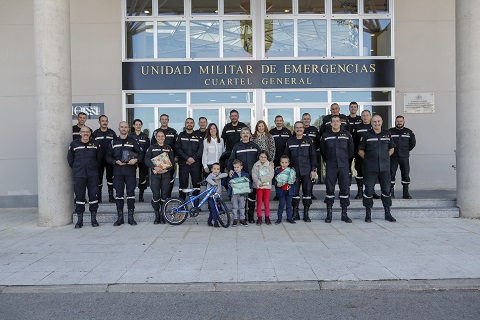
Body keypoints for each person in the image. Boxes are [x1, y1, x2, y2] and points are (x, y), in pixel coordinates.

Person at [358, 115, 396, 223]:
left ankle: (387, 213)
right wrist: (369, 159)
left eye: (378, 121)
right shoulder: (366, 135)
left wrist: (384, 157)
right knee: (369, 191)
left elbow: (392, 149)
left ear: (382, 122)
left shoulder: (387, 134)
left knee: (386, 191)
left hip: (384, 168)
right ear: (371, 122)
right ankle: (368, 214)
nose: (376, 123)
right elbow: (360, 151)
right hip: (370, 168)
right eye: (374, 122)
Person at [106, 121, 143, 226]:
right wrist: (115, 161)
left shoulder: (133, 141)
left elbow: (140, 154)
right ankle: (120, 218)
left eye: (125, 127)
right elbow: (108, 156)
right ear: (119, 128)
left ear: (128, 129)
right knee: (119, 195)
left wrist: (135, 160)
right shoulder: (113, 142)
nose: (123, 129)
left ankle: (131, 218)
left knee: (130, 194)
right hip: (118, 171)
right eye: (122, 127)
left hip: (130, 171)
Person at [319, 115, 354, 223]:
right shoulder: (325, 136)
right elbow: (323, 151)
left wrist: (346, 162)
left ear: (340, 123)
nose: (335, 123)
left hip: (344, 166)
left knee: (344, 190)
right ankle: (329, 215)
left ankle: (344, 214)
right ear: (330, 123)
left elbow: (351, 150)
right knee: (330, 190)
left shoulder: (347, 135)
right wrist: (329, 160)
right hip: (331, 166)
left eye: (337, 121)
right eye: (333, 121)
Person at [67, 126, 101, 228]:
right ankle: (79, 220)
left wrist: (94, 168)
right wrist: (77, 168)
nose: (85, 133)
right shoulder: (74, 144)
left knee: (93, 197)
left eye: (87, 132)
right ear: (80, 133)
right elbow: (70, 159)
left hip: (92, 174)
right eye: (83, 132)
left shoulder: (95, 144)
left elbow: (99, 159)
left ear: (90, 133)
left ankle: (93, 219)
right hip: (79, 175)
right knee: (79, 197)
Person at [227, 127, 261, 223]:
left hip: (252, 175)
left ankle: (250, 216)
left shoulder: (255, 146)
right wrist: (230, 169)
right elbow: (231, 160)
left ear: (250, 135)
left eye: (247, 133)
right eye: (243, 133)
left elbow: (261, 159)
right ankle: (242, 217)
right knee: (241, 196)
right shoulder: (237, 146)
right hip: (240, 177)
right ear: (240, 135)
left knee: (251, 196)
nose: (245, 135)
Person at [285, 121, 317, 222]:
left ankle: (306, 214)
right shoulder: (290, 141)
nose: (299, 129)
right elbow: (286, 158)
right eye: (297, 128)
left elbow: (313, 156)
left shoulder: (309, 141)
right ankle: (295, 213)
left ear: (303, 129)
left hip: (307, 172)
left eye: (301, 127)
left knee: (307, 193)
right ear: (294, 129)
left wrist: (313, 170)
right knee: (295, 193)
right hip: (294, 172)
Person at [144, 130, 175, 224]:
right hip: (155, 175)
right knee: (156, 195)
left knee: (164, 196)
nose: (160, 138)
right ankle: (156, 215)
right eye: (158, 136)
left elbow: (172, 162)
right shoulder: (151, 148)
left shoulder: (168, 148)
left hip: (166, 175)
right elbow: (146, 159)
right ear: (156, 137)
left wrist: (168, 169)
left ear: (164, 138)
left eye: (162, 136)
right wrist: (154, 167)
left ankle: (163, 215)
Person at [175, 118, 204, 202]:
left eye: (191, 122)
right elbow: (178, 149)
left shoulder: (198, 135)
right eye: (187, 122)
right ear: (185, 124)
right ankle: (182, 203)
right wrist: (187, 158)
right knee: (183, 184)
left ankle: (196, 204)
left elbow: (200, 149)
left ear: (194, 124)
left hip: (195, 164)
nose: (189, 124)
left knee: (196, 184)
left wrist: (193, 158)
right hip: (184, 163)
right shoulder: (181, 135)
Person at [151, 114, 178, 198]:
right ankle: (158, 196)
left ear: (168, 120)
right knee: (158, 179)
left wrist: (176, 157)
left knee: (170, 178)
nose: (164, 121)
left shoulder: (173, 131)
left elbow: (177, 145)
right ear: (160, 120)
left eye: (166, 119)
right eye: (162, 119)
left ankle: (167, 196)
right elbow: (152, 145)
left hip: (170, 159)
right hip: (158, 160)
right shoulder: (156, 131)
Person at [389, 115, 416, 199]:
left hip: (404, 157)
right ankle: (391, 192)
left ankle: (406, 193)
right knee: (391, 174)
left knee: (405, 174)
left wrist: (406, 150)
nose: (399, 123)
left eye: (401, 121)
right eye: (397, 121)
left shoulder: (409, 132)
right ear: (395, 122)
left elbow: (412, 143)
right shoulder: (390, 132)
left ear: (404, 122)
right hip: (393, 156)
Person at [91, 115, 117, 203]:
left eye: (106, 121)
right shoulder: (95, 133)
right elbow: (92, 146)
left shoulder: (112, 133)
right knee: (98, 178)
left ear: (108, 122)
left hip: (110, 159)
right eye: (102, 121)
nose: (104, 122)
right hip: (99, 160)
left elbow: (116, 146)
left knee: (110, 178)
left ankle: (111, 197)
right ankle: (98, 197)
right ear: (99, 122)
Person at [352, 110, 372, 199]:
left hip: (372, 154)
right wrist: (355, 154)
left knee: (371, 173)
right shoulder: (357, 127)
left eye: (367, 115)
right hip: (360, 154)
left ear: (370, 116)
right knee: (360, 173)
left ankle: (371, 191)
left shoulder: (373, 126)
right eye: (363, 115)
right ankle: (360, 192)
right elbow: (354, 141)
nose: (365, 117)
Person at [129, 119, 150, 202]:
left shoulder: (145, 136)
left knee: (142, 178)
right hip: (132, 159)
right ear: (133, 126)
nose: (138, 126)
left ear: (141, 126)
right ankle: (132, 195)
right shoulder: (130, 136)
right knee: (131, 177)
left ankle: (141, 195)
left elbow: (148, 148)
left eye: (139, 124)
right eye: (136, 124)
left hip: (143, 159)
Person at [252, 151, 274, 225]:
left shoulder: (269, 165)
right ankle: (259, 217)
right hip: (259, 186)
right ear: (259, 157)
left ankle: (267, 217)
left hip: (267, 186)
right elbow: (254, 175)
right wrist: (258, 182)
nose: (263, 158)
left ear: (267, 158)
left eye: (265, 157)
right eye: (261, 157)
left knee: (266, 202)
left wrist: (262, 179)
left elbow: (271, 175)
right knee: (259, 202)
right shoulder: (256, 165)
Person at [273, 155, 296, 224]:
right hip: (281, 190)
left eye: (286, 162)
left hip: (289, 190)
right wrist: (276, 184)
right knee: (281, 205)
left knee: (289, 205)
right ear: (280, 163)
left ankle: (289, 218)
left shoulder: (291, 171)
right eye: (282, 162)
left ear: (288, 163)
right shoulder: (277, 171)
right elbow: (274, 180)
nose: (284, 164)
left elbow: (295, 179)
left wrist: (295, 180)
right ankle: (279, 218)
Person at [301, 113, 319, 200]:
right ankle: (303, 192)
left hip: (312, 156)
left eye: (308, 119)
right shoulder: (299, 129)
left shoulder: (314, 130)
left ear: (310, 120)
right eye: (304, 119)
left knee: (311, 176)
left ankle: (310, 193)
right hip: (302, 156)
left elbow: (319, 143)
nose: (306, 120)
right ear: (302, 120)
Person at [206, 163, 228, 228]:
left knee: (215, 209)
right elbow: (208, 179)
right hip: (211, 196)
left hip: (217, 195)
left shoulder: (219, 175)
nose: (216, 170)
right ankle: (216, 222)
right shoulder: (211, 175)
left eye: (218, 169)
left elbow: (226, 174)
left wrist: (219, 177)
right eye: (214, 169)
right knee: (213, 208)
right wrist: (214, 183)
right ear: (212, 169)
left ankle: (209, 220)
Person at [228, 159, 250, 227]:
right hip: (234, 193)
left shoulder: (245, 175)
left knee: (242, 206)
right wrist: (230, 185)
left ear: (241, 167)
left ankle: (242, 219)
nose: (236, 169)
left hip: (242, 193)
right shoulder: (232, 175)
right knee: (234, 206)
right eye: (234, 167)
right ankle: (235, 219)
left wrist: (250, 188)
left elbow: (249, 183)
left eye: (237, 167)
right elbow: (228, 182)